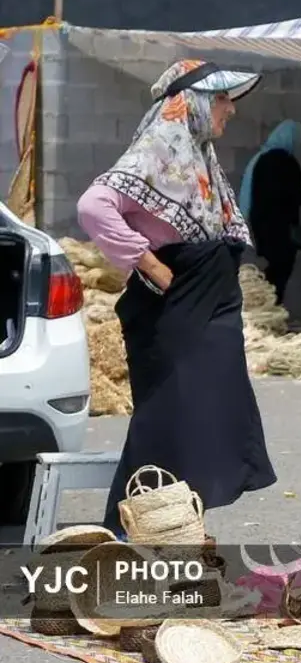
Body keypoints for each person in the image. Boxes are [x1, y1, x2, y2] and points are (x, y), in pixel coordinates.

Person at [75, 59, 276, 536]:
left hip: (212, 296)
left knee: (209, 415)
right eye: (223, 99)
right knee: (170, 414)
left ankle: (178, 526)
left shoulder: (197, 153)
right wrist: (148, 263)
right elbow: (93, 206)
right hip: (178, 299)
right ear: (196, 102)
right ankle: (126, 529)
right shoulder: (159, 148)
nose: (230, 109)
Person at [239, 120, 301, 305]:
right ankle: (270, 303)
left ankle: (265, 302)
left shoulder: (260, 159)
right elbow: (296, 195)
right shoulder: (287, 161)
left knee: (272, 264)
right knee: (281, 268)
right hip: (284, 229)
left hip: (261, 226)